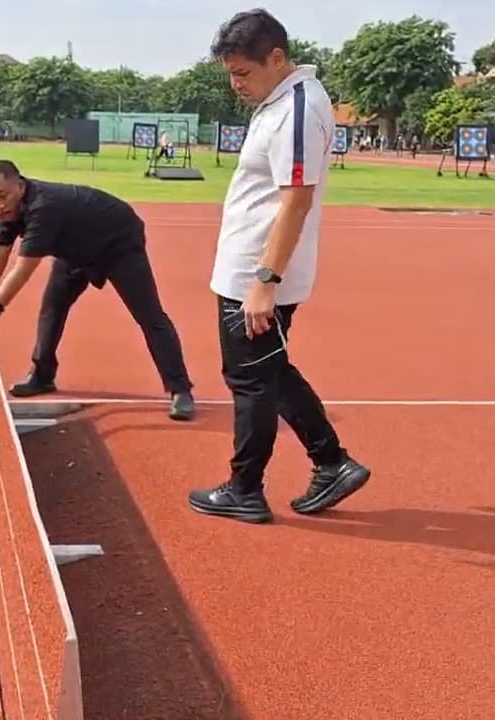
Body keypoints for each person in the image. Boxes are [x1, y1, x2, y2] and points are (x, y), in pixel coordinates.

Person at [187, 9, 371, 524]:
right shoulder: (280, 103)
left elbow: (296, 200)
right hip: (250, 268)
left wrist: (264, 282)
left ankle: (246, 487)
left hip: (258, 272)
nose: (235, 84)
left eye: (242, 73)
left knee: (249, 380)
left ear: (276, 58)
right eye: (230, 73)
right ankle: (331, 460)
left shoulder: (295, 109)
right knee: (268, 370)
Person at [0, 160, 197, 421]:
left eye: (2, 195)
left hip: (117, 243)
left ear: (20, 185)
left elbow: (23, 268)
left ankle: (180, 390)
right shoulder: (7, 212)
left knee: (149, 316)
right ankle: (43, 375)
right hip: (74, 252)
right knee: (52, 307)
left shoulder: (43, 207)